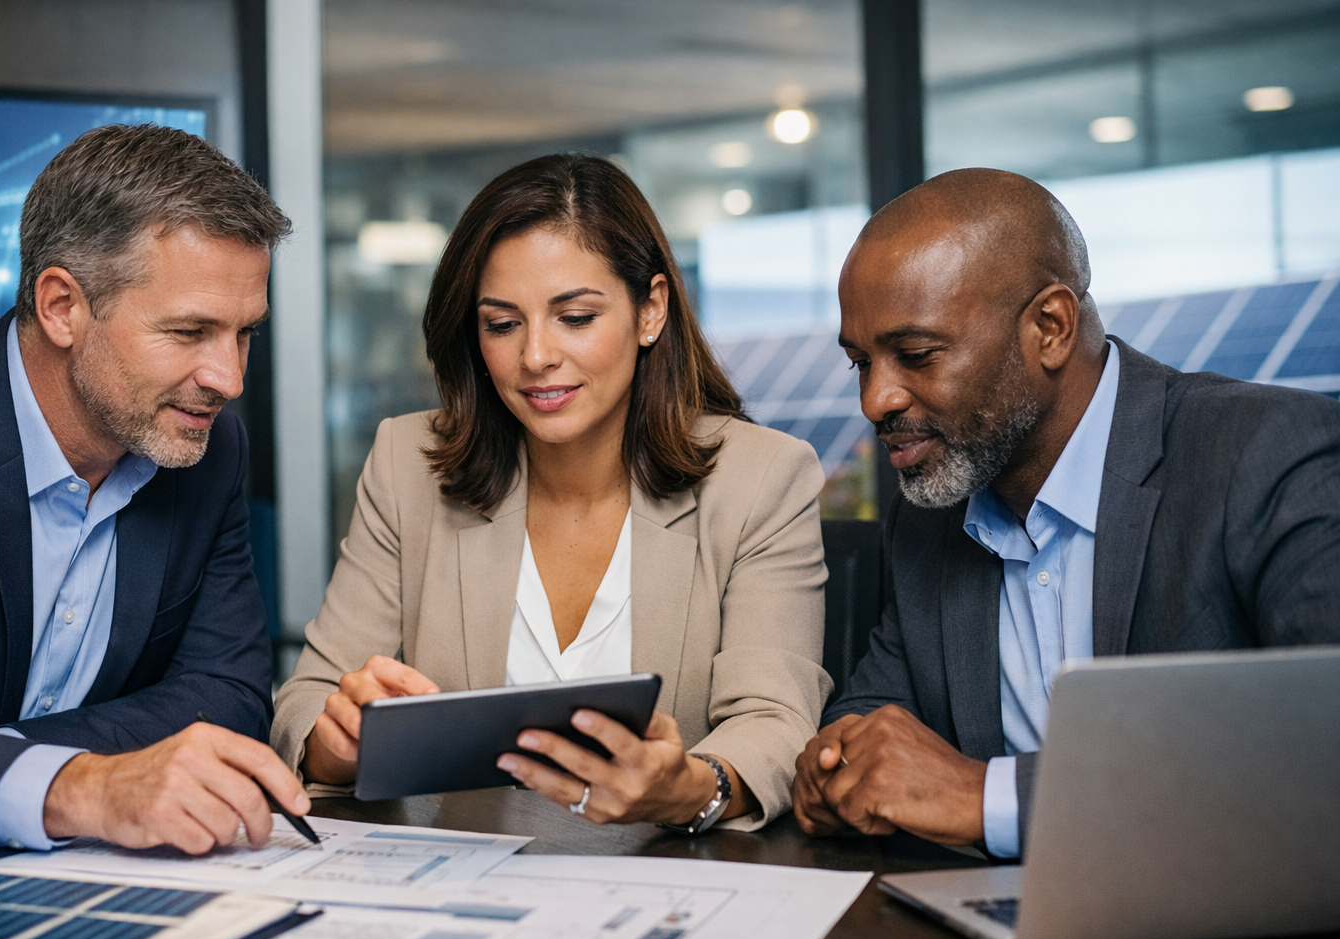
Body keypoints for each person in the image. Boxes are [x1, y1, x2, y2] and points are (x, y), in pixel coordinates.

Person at [791, 167, 1340, 858]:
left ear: (1050, 327)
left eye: (916, 355)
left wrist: (983, 796)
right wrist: (839, 762)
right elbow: (878, 710)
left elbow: (1322, 755)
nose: (876, 401)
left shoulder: (1263, 456)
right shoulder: (928, 516)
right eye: (859, 364)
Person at [272, 154, 830, 831]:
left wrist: (692, 787)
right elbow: (306, 703)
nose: (535, 355)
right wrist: (336, 746)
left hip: (667, 882)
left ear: (650, 310)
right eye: (502, 324)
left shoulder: (763, 478)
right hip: (460, 884)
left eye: (575, 317)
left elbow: (773, 724)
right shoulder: (406, 464)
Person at [0, 124, 311, 863]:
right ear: (62, 306)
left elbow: (227, 699)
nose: (228, 380)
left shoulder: (208, 450)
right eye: (190, 331)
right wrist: (79, 788)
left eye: (244, 335)